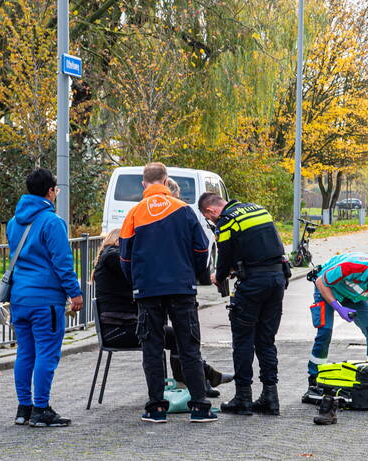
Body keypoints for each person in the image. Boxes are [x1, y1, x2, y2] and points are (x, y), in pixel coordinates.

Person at [119, 162, 216, 423]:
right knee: (188, 345)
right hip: (181, 288)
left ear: (143, 184)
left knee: (151, 347)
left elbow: (125, 257)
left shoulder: (134, 214)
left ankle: (156, 407)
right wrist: (192, 273)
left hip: (147, 290)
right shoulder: (184, 210)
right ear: (166, 180)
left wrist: (136, 281)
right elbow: (202, 248)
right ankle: (200, 406)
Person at [92, 228, 232, 396]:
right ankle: (200, 381)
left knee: (176, 335)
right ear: (121, 241)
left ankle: (200, 381)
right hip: (119, 330)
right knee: (178, 336)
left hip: (122, 325)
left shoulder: (109, 257)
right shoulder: (113, 257)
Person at [198, 192, 288, 416]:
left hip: (254, 285)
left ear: (211, 211)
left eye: (209, 218)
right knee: (266, 341)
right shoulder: (258, 209)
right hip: (277, 279)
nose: (212, 222)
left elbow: (224, 256)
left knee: (243, 339)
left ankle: (243, 398)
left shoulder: (227, 221)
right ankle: (271, 397)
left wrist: (218, 277)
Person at [7, 168, 84, 427]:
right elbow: (62, 263)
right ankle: (41, 409)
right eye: (56, 190)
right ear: (50, 191)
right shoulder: (52, 223)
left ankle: (23, 408)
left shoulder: (14, 222)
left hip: (19, 298)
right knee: (47, 355)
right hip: (46, 300)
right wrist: (75, 293)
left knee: (25, 353)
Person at [303, 252, 368, 412]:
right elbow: (321, 282)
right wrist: (338, 308)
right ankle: (314, 381)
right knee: (325, 332)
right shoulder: (351, 267)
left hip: (355, 297)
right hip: (327, 289)